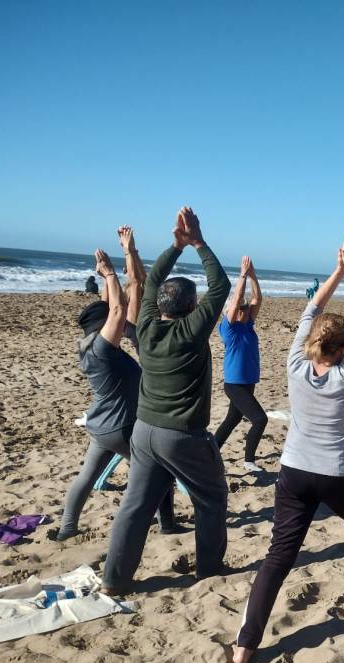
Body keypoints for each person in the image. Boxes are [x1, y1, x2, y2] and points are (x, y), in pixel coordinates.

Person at [231, 233, 344, 663]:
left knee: (279, 555)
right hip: (339, 474)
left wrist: (337, 270)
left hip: (295, 470)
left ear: (315, 339)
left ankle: (244, 647)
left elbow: (313, 309)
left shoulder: (296, 361)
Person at [101, 207, 231, 595]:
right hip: (182, 436)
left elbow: (152, 280)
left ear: (159, 306)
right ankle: (209, 569)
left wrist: (175, 247)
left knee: (135, 506)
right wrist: (198, 242)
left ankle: (114, 580)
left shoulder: (145, 324)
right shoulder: (191, 331)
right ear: (191, 308)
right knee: (211, 499)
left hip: (143, 431)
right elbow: (220, 286)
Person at [58, 228, 175, 540]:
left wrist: (115, 268)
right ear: (103, 327)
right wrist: (110, 272)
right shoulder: (103, 350)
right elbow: (119, 309)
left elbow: (114, 305)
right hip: (121, 427)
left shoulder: (90, 346)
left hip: (100, 425)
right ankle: (167, 524)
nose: (118, 324)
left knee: (86, 476)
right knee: (159, 472)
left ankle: (67, 528)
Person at [214, 256, 267, 473]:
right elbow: (236, 300)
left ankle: (211, 452)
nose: (245, 309)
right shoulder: (229, 329)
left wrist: (253, 275)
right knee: (260, 419)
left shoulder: (248, 325)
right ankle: (249, 461)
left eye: (246, 307)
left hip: (247, 383)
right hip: (234, 385)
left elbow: (257, 298)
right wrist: (242, 276)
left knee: (232, 419)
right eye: (242, 308)